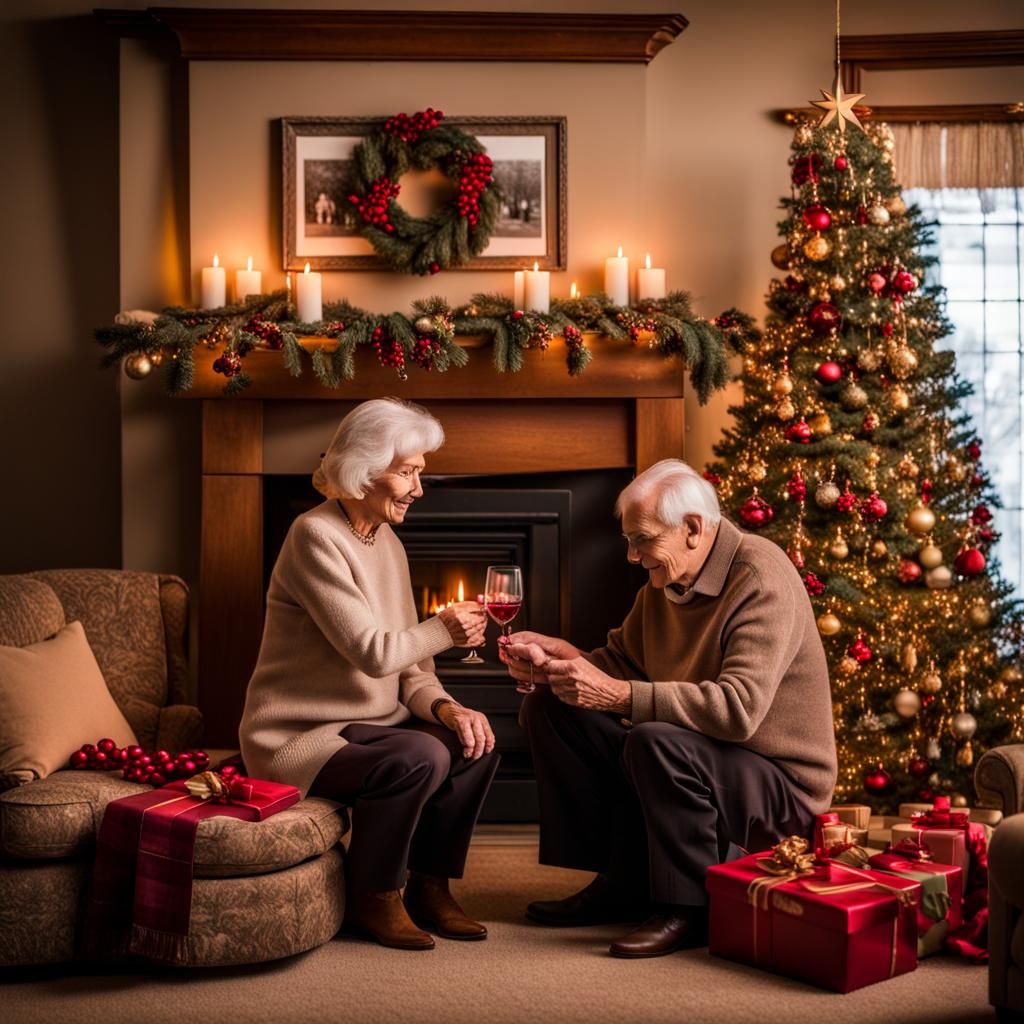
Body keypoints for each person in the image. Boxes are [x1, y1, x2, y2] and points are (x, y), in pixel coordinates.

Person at [500, 459, 836, 959]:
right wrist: (561, 661)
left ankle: (689, 908)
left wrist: (616, 695)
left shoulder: (759, 575)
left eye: (642, 540)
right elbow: (621, 664)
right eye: (628, 540)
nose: (632, 556)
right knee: (553, 706)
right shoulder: (668, 582)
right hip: (707, 756)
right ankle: (621, 879)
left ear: (693, 529)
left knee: (654, 739)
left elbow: (738, 710)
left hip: (782, 790)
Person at [240, 398, 499, 951]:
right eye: (407, 472)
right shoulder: (314, 536)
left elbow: (412, 671)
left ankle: (430, 887)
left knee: (474, 742)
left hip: (370, 729)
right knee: (420, 755)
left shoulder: (387, 543)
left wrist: (450, 709)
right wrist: (445, 628)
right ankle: (374, 893)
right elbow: (373, 654)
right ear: (363, 469)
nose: (418, 489)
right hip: (302, 736)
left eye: (420, 473)